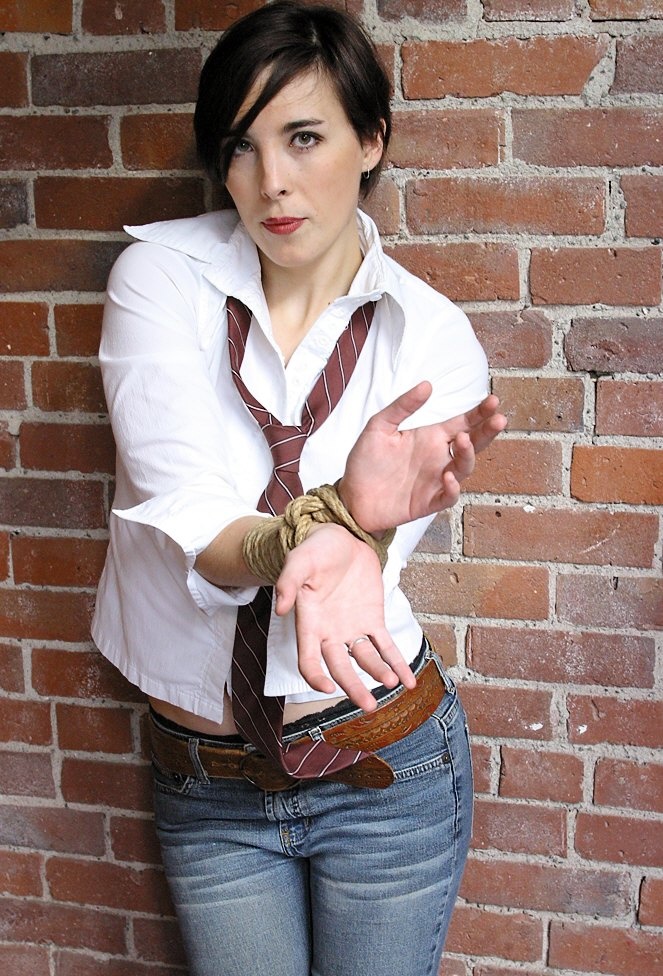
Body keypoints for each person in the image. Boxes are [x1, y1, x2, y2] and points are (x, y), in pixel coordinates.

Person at [92, 3, 506, 975]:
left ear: (371, 140)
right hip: (208, 786)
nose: (269, 180)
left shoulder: (431, 338)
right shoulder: (159, 280)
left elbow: (363, 561)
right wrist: (327, 522)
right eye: (241, 146)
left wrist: (359, 531)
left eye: (305, 137)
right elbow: (191, 513)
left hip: (384, 767)